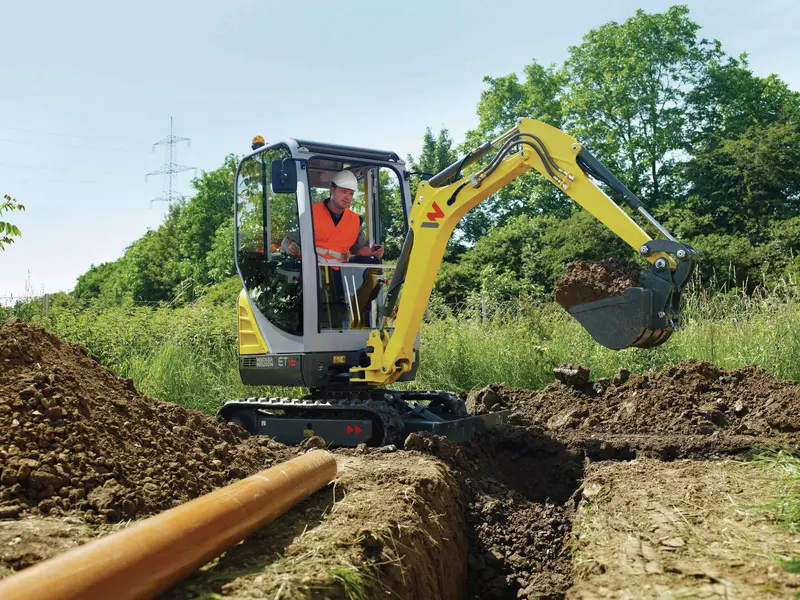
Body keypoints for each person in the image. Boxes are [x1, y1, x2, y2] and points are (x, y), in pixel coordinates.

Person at [282, 170, 384, 261]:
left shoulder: (355, 220)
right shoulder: (309, 213)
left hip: (340, 275)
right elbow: (287, 241)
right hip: (310, 272)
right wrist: (289, 247)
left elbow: (358, 249)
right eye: (344, 191)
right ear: (332, 189)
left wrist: (372, 251)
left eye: (351, 193)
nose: (347, 197)